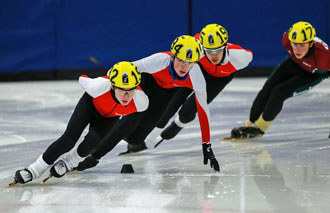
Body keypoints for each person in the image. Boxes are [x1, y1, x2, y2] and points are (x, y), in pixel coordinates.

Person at [75, 35, 220, 173]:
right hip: (146, 83)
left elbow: (202, 110)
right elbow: (122, 71)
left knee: (136, 139)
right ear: (172, 56)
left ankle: (112, 133)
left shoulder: (196, 76)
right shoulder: (158, 61)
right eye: (181, 60)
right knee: (129, 123)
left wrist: (206, 144)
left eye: (190, 62)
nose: (184, 66)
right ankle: (92, 155)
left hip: (165, 93)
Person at [10, 61, 149, 185]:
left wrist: (69, 163)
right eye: (121, 90)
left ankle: (69, 162)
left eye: (131, 90)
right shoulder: (97, 86)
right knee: (68, 140)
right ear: (112, 86)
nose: (126, 96)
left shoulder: (141, 102)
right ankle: (34, 169)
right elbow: (82, 79)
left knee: (93, 142)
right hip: (90, 105)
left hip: (109, 117)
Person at [143, 23, 253, 146]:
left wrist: (178, 125)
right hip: (199, 70)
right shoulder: (197, 48)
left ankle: (180, 124)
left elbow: (249, 56)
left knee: (188, 111)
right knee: (172, 103)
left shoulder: (240, 57)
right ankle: (147, 141)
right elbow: (173, 56)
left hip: (219, 79)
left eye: (218, 50)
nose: (214, 55)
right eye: (209, 51)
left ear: (225, 47)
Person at [230, 21, 330, 139]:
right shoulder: (286, 39)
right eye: (295, 44)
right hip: (294, 63)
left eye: (302, 45)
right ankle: (250, 125)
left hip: (312, 74)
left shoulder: (324, 58)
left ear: (311, 44)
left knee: (279, 92)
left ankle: (260, 128)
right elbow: (295, 50)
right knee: (267, 89)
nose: (297, 49)